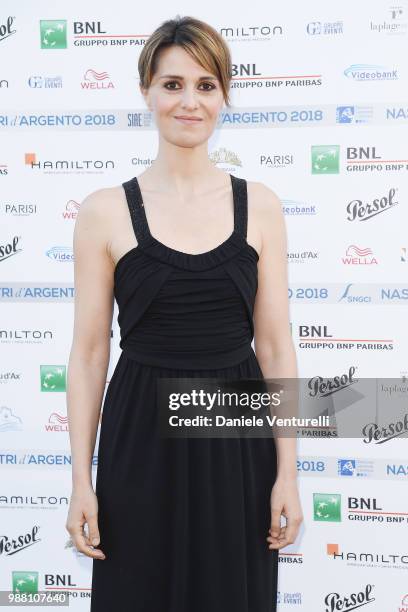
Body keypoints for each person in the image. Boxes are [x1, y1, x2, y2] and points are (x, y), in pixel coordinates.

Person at [65, 15, 303, 612]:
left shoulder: (262, 206)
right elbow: (90, 352)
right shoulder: (103, 212)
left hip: (236, 434)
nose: (188, 101)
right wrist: (78, 482)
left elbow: (275, 346)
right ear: (146, 91)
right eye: (172, 84)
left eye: (205, 84)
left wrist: (288, 473)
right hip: (140, 434)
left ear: (224, 95)